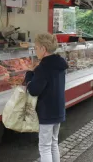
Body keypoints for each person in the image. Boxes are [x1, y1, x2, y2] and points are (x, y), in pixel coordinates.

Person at [24, 33, 68, 162]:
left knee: (44, 146)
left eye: (36, 48)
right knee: (53, 143)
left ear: (43, 49)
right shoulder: (60, 63)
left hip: (46, 111)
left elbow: (34, 90)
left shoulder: (43, 67)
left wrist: (29, 75)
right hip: (58, 109)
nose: (35, 51)